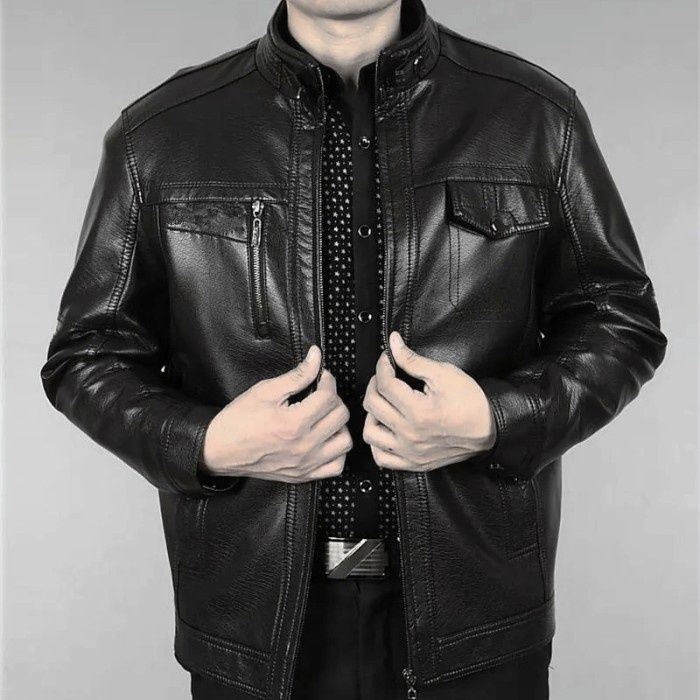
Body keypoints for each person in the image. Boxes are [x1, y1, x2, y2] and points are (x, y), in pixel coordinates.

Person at [39, 0, 668, 697]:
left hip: (476, 616)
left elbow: (619, 318)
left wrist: (496, 419)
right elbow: (87, 356)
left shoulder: (534, 117)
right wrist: (208, 443)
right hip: (255, 624)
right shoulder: (158, 135)